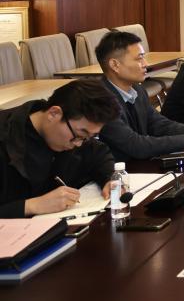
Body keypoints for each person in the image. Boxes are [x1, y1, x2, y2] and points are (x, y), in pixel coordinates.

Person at [0, 79, 121, 218]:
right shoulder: (7, 138)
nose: (79, 144)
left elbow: (98, 153)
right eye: (79, 135)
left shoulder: (74, 132)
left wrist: (109, 178)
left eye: (88, 137)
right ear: (54, 113)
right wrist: (32, 206)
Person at [96, 30, 184, 161]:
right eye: (139, 58)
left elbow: (158, 124)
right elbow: (136, 145)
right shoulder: (100, 101)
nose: (145, 64)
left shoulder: (137, 89)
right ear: (115, 65)